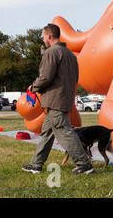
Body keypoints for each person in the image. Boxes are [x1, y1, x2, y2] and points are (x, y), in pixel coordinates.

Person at [22, 23, 94, 174]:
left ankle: (84, 164)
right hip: (64, 99)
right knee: (47, 133)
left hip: (55, 100)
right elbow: (76, 78)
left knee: (64, 131)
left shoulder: (51, 53)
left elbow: (45, 77)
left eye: (43, 37)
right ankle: (36, 164)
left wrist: (32, 87)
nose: (43, 40)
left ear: (49, 36)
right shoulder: (70, 54)